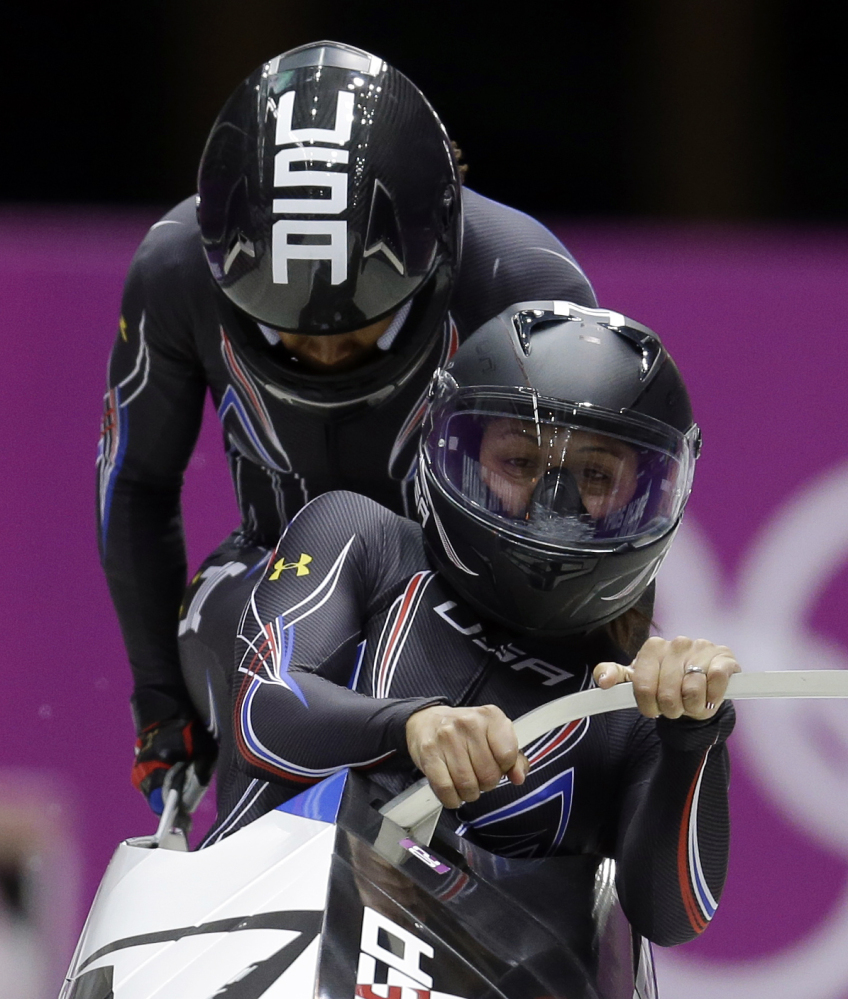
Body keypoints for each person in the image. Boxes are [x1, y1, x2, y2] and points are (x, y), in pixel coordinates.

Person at [97, 40, 601, 815]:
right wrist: (160, 707)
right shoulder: (174, 272)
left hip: (469, 603)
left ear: (436, 258)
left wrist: (610, 667)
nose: (327, 351)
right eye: (290, 328)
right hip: (269, 586)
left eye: (359, 323)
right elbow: (137, 484)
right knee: (255, 653)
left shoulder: (525, 284)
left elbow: (589, 521)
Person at [184, 301, 739, 947]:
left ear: (647, 493)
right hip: (261, 947)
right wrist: (410, 725)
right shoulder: (358, 539)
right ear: (460, 450)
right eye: (520, 463)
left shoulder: (642, 695)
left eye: (594, 475)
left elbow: (672, 917)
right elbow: (261, 708)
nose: (551, 506)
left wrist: (694, 739)